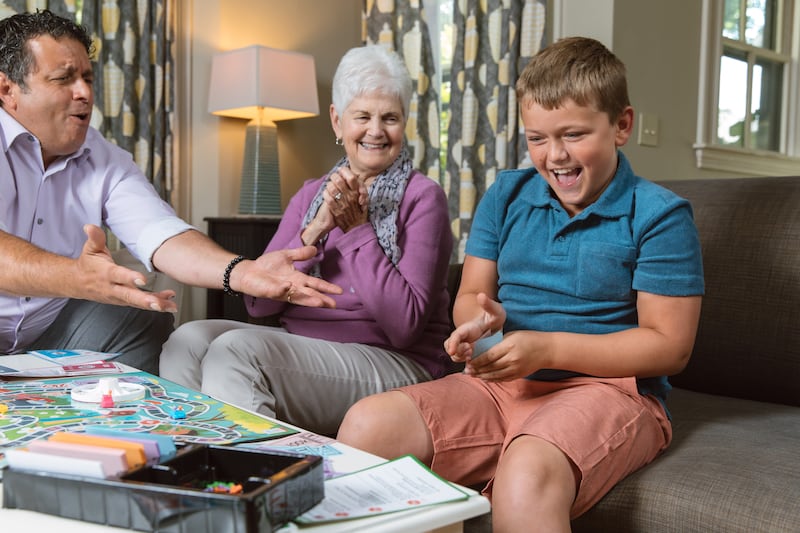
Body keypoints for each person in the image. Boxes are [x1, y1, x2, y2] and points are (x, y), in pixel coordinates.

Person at [336, 36, 705, 532]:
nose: (554, 156)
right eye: (537, 138)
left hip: (611, 393)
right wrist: (479, 324)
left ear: (621, 125)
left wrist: (547, 348)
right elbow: (471, 297)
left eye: (573, 135)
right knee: (366, 426)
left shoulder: (659, 215)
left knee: (526, 474)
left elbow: (669, 348)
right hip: (499, 385)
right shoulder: (506, 195)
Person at [0, 10, 340, 376]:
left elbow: (161, 233)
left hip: (51, 331)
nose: (84, 93)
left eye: (87, 77)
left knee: (143, 314)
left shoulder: (104, 159)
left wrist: (241, 272)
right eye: (63, 78)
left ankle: (112, 429)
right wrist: (76, 277)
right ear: (8, 90)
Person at [159, 44, 454, 437]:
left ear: (405, 123)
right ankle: (198, 462)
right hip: (305, 345)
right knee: (187, 340)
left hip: (396, 360)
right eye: (362, 116)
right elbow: (259, 303)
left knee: (236, 353)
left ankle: (263, 481)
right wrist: (314, 230)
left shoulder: (423, 198)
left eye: (390, 118)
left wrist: (356, 230)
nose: (376, 131)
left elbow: (404, 326)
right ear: (337, 121)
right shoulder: (312, 195)